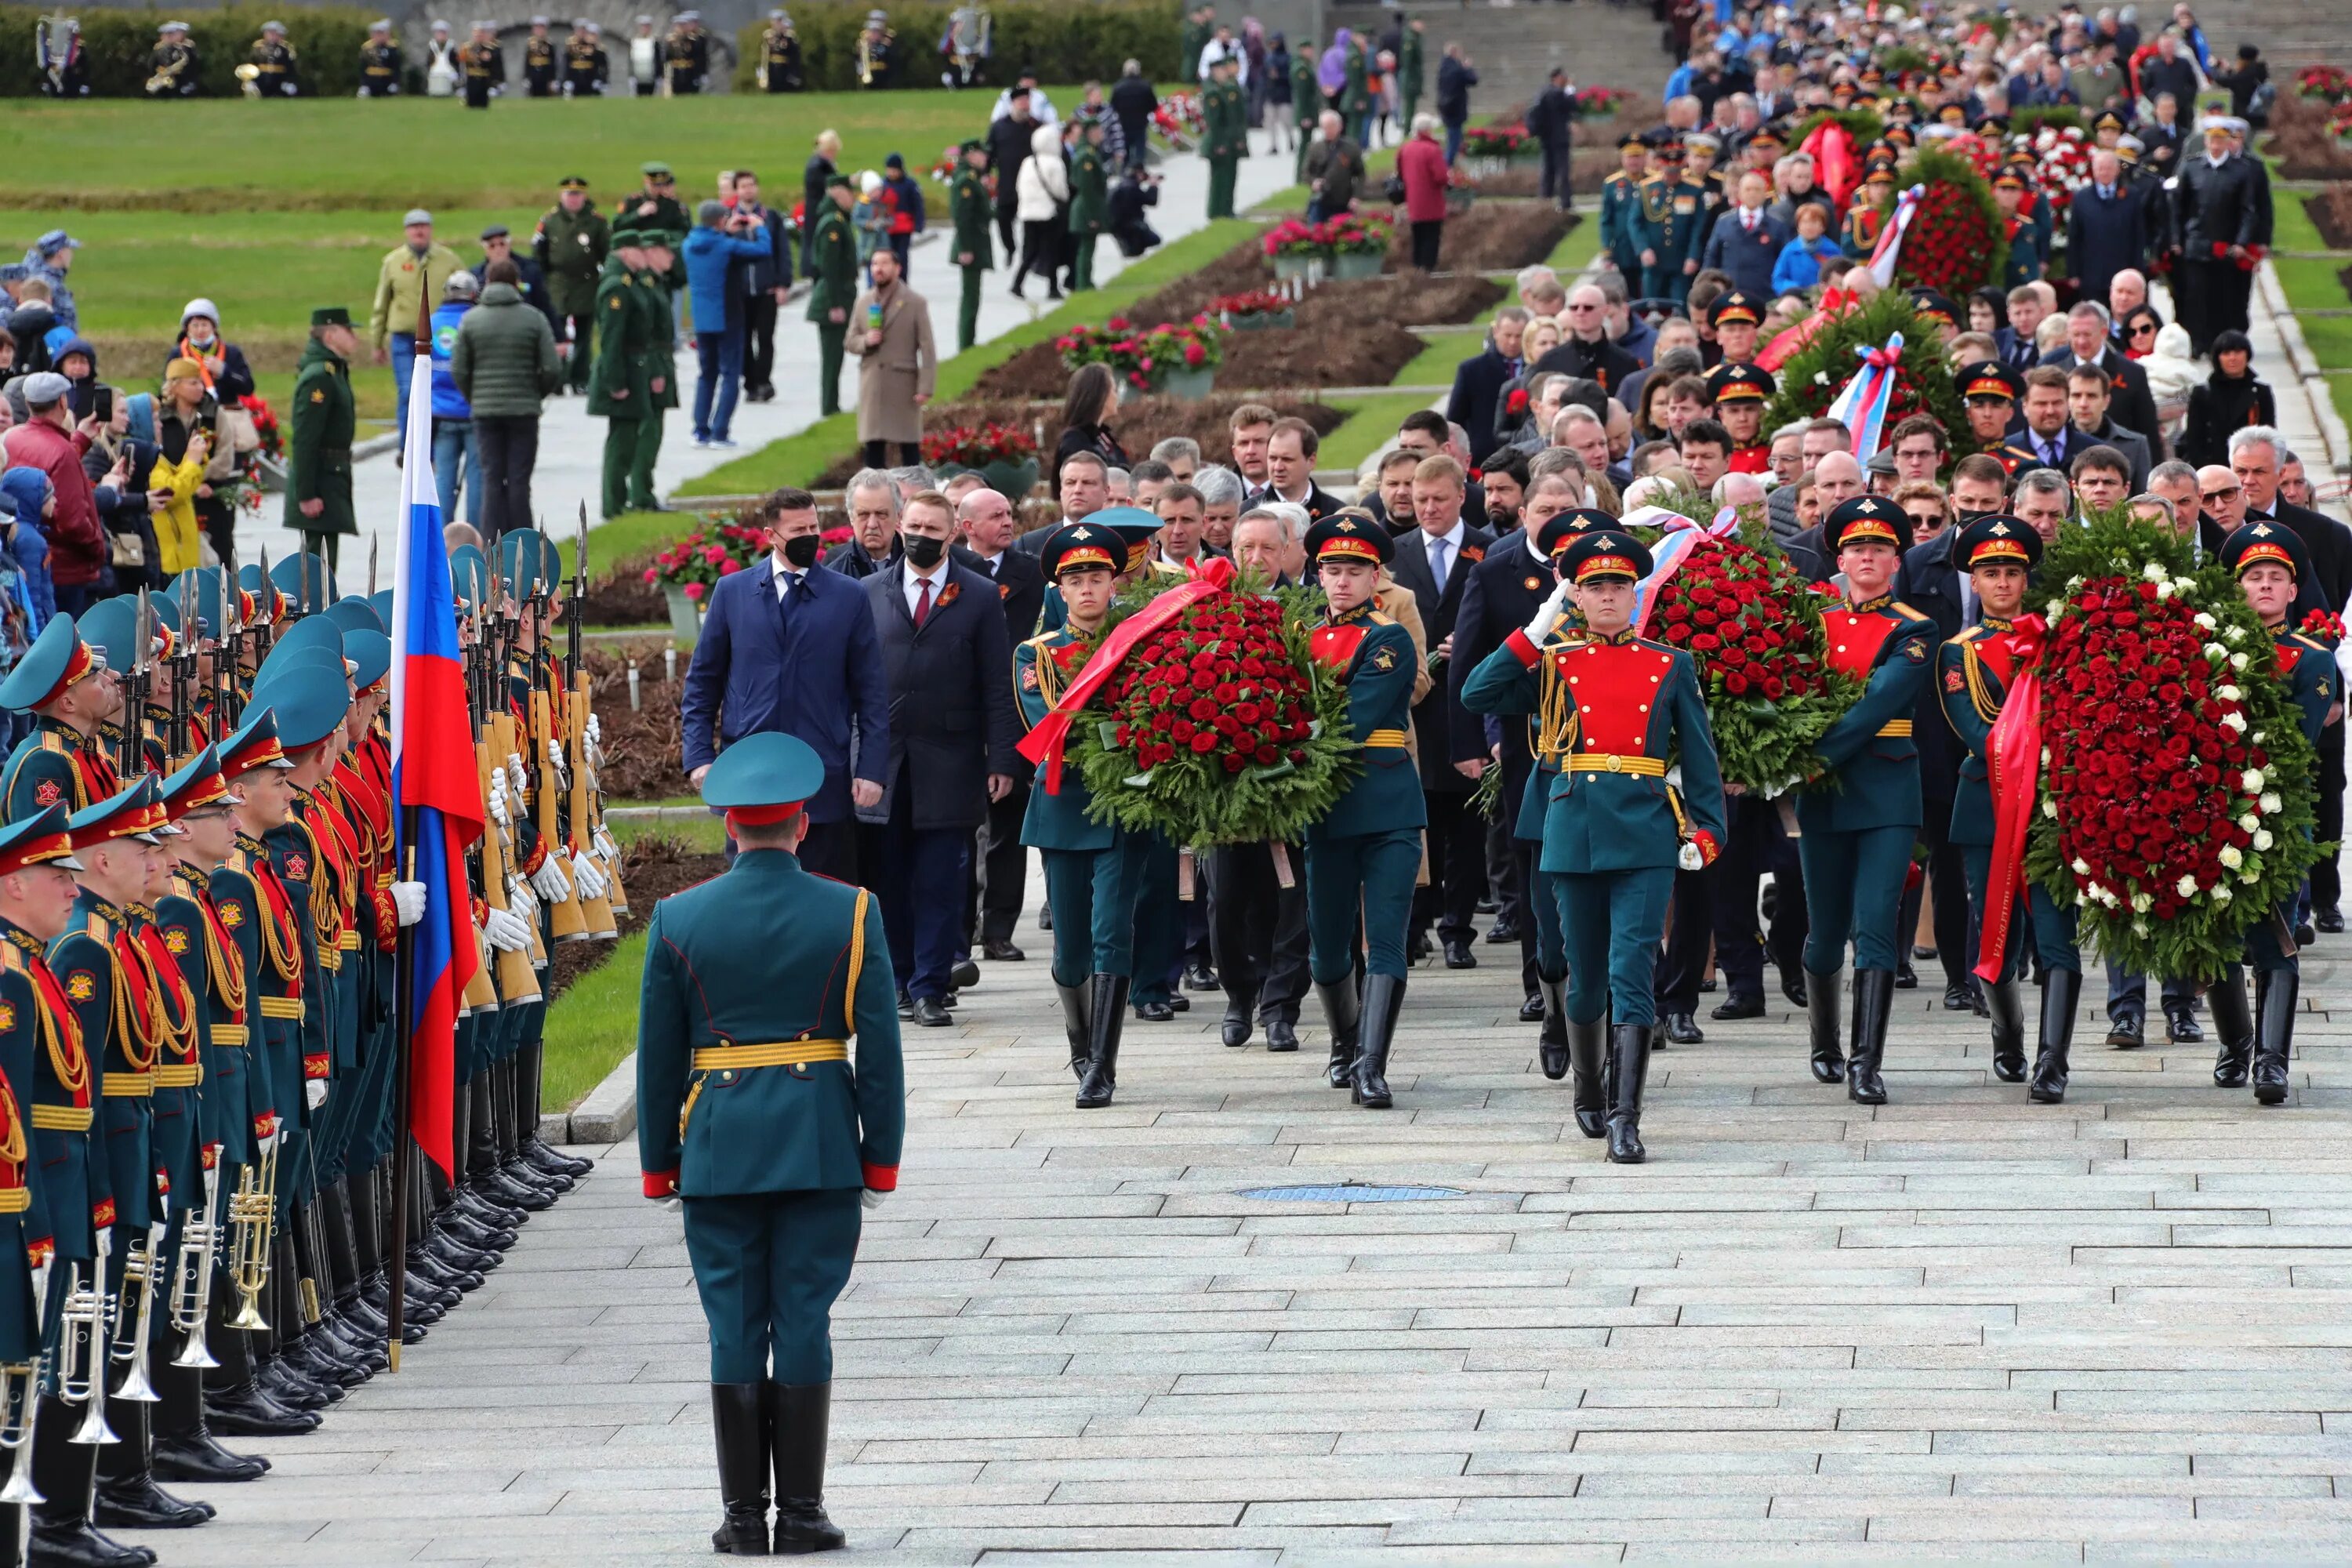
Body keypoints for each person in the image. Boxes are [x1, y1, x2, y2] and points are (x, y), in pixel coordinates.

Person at [636, 731, 902, 1558]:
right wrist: (880, 1154)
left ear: (729, 827)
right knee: (806, 1316)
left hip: (717, 1146)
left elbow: (659, 1055)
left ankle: (744, 1516)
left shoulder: (679, 917)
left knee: (732, 1322)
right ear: (802, 825)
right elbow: (881, 1049)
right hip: (819, 1140)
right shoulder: (852, 909)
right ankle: (806, 1512)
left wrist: (658, 1164)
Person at [1462, 528, 1726, 1163]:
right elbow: (1478, 692)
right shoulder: (1553, 662)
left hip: (1644, 827)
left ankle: (1626, 1116)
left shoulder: (1671, 663)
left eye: (1619, 586)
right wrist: (1535, 628)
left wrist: (1708, 827)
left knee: (1632, 968)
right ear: (1576, 595)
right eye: (1594, 586)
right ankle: (1588, 1083)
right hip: (1573, 826)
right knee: (1582, 980)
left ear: (1635, 596)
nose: (1608, 596)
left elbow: (1699, 753)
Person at [858, 492, 1018, 1027]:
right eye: (916, 525)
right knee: (889, 878)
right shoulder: (866, 593)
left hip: (951, 761)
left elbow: (998, 682)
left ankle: (930, 984)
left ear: (953, 534)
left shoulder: (976, 595)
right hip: (882, 763)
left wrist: (1001, 757)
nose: (923, 534)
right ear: (902, 528)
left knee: (940, 880)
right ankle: (900, 981)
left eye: (935, 527)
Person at [1795, 497, 1935, 1101]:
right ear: (1840, 559)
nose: (1867, 557)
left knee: (1876, 924)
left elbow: (1878, 702)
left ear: (1897, 559)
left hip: (1884, 789)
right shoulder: (1811, 619)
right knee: (1825, 931)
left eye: (1879, 548)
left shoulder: (1914, 627)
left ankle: (1864, 1061)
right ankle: (1825, 1041)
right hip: (1823, 797)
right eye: (1856, 548)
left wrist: (1811, 756)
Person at [1940, 514, 2082, 1101]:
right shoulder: (1960, 651)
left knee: (2057, 935)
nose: (2003, 582)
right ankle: (2010, 1035)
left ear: (2028, 578)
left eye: (2013, 572)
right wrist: (2029, 760)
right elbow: (1974, 729)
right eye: (1991, 572)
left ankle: (2054, 1060)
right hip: (1988, 804)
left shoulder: (2057, 640)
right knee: (1997, 927)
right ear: (1974, 583)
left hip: (2052, 808)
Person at [681, 489, 890, 885]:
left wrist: (872, 770)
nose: (810, 536)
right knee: (750, 897)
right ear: (770, 535)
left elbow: (872, 691)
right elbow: (702, 685)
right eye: (798, 530)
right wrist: (697, 757)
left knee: (827, 894)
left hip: (823, 776)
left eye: (814, 527)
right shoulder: (732, 593)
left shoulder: (848, 596)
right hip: (748, 773)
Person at [1297, 513, 1425, 1109]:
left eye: (1355, 571)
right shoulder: (1300, 635)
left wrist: (1286, 736)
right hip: (1326, 808)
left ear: (1377, 576)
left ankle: (1372, 1064)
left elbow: (1359, 718)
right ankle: (1345, 1042)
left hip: (1387, 801)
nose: (1342, 581)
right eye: (1333, 570)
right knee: (1326, 945)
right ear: (1318, 574)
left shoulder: (1387, 637)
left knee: (1387, 938)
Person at [2211, 520, 2327, 1100]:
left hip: (2275, 813)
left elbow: (2296, 739)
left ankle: (2272, 1060)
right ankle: (2236, 1044)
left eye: (2274, 577)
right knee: (2215, 937)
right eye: (2253, 576)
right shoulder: (2208, 651)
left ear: (2292, 590)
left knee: (2274, 934)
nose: (2263, 585)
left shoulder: (2310, 660)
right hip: (2208, 812)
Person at [1385, 455, 1490, 969]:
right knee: (1416, 823)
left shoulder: (1486, 550)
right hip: (1415, 714)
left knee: (1467, 831)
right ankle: (1415, 923)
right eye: (1420, 499)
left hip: (1466, 708)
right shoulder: (1396, 553)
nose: (1427, 508)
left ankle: (1458, 928)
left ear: (1461, 497)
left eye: (1438, 499)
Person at [451, 257, 558, 540]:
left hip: (485, 413)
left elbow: (459, 369)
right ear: (516, 283)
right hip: (524, 411)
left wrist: (476, 397)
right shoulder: (534, 318)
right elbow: (552, 367)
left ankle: (491, 542)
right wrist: (536, 393)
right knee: (519, 480)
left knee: (491, 479)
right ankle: (523, 540)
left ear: (486, 282)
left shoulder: (471, 320)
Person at [681, 201, 771, 454]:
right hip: (728, 316)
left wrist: (724, 232)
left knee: (706, 374)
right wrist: (759, 227)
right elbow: (762, 251)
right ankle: (720, 431)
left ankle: (700, 429)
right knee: (731, 374)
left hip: (702, 319)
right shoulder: (725, 246)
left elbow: (714, 250)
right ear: (721, 220)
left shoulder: (689, 244)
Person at [2171, 115, 2263, 355]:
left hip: (2226, 247)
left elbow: (2248, 211)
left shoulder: (2240, 172)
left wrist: (2242, 242)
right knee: (2196, 297)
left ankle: (2218, 343)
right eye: (2212, 139)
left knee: (2222, 298)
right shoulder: (2191, 167)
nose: (2216, 144)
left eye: (2221, 139)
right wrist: (2176, 240)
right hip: (2196, 244)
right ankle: (2197, 342)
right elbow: (2178, 207)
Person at [368, 210, 460, 438]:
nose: (419, 231)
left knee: (435, 389)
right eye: (414, 227)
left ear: (430, 229)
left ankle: (431, 443)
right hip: (403, 338)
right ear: (407, 232)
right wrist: (376, 342)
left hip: (438, 338)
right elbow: (382, 303)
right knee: (408, 391)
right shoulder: (392, 262)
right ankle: (406, 445)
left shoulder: (449, 260)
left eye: (424, 226)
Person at [848, 248, 935, 471]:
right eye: (875, 264)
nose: (879, 268)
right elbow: (850, 341)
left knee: (909, 449)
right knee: (874, 448)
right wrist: (866, 341)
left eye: (885, 263)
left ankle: (914, 497)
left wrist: (926, 386)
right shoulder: (864, 302)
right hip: (873, 384)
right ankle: (875, 497)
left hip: (902, 384)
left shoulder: (915, 302)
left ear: (897, 268)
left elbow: (927, 347)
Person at [286, 306, 357, 573]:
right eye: (348, 330)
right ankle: (316, 613)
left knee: (326, 560)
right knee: (318, 565)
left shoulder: (333, 371)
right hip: (321, 479)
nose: (354, 337)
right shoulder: (320, 377)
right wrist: (306, 493)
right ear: (330, 335)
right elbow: (305, 438)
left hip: (331, 476)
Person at [532, 177, 610, 399]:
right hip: (557, 285)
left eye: (577, 195)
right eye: (569, 195)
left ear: (584, 197)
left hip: (586, 284)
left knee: (584, 336)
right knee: (557, 335)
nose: (573, 199)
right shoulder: (550, 221)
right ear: (562, 196)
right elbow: (539, 253)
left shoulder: (596, 222)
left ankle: (581, 379)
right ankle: (557, 379)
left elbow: (607, 253)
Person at [727, 173, 793, 406]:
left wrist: (783, 283)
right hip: (740, 291)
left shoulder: (770, 217)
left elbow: (782, 251)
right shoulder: (729, 219)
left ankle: (764, 381)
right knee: (743, 339)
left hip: (766, 288)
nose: (748, 190)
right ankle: (751, 382)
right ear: (736, 190)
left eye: (751, 185)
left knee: (765, 338)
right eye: (743, 186)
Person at [427, 270, 484, 528]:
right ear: (474, 294)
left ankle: (442, 537)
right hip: (473, 412)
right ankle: (475, 539)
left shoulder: (432, 323)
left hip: (440, 414)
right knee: (477, 478)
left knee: (443, 481)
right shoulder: (476, 322)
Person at [806, 178, 858, 422]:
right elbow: (830, 267)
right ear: (838, 194)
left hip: (837, 297)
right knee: (831, 357)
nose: (853, 199)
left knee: (836, 356)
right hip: (831, 300)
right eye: (850, 193)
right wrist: (836, 303)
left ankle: (832, 404)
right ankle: (829, 407)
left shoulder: (837, 220)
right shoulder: (833, 224)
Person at [2183, 328, 2274, 466]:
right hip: (2211, 468)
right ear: (2218, 358)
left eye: (2238, 352)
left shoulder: (2261, 393)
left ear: (2247, 355)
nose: (2233, 358)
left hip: (2249, 466)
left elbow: (2269, 435)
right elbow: (2194, 439)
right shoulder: (2202, 393)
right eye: (2226, 353)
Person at [1011, 120, 1068, 302]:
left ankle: (1017, 283)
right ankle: (1052, 288)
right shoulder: (1055, 163)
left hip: (1028, 213)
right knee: (1051, 251)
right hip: (1048, 213)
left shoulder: (1028, 162)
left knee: (1030, 251)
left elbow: (1020, 186)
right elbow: (1060, 189)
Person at [947, 140, 993, 351]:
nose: (985, 158)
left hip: (975, 243)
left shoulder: (972, 178)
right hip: (971, 245)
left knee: (973, 297)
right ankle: (966, 343)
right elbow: (963, 217)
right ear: (971, 155)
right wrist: (965, 248)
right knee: (970, 297)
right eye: (981, 154)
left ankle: (969, 340)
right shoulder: (966, 181)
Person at [1398, 113, 1450, 271]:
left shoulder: (1405, 149)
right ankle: (1427, 267)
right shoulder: (1433, 150)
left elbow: (1400, 173)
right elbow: (1441, 177)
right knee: (1431, 235)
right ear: (1427, 130)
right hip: (1431, 200)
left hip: (1413, 200)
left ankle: (1417, 265)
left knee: (1417, 235)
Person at [1067, 118, 1110, 293]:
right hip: (1085, 210)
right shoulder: (1086, 156)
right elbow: (1087, 188)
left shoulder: (1090, 152)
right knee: (1086, 249)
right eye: (1098, 131)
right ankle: (1083, 282)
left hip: (1088, 208)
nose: (1101, 134)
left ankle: (1086, 280)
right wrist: (1092, 216)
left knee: (1089, 247)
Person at [1202, 55, 1247, 220]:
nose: (1224, 73)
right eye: (1221, 70)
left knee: (1229, 178)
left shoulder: (1223, 89)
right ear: (1214, 72)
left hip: (1228, 141)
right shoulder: (1213, 93)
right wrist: (1219, 143)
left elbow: (1236, 118)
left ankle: (1226, 209)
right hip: (1218, 142)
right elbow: (1214, 123)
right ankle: (1216, 211)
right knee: (1219, 179)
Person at [1303, 111, 1363, 223]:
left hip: (1343, 200)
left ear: (1340, 126)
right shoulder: (1315, 148)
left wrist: (1356, 197)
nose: (1328, 130)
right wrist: (1313, 182)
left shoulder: (1351, 148)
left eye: (1331, 126)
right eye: (1325, 127)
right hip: (1321, 200)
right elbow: (1306, 173)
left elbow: (1360, 173)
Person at [1436, 42, 1476, 164]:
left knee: (1452, 138)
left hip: (1446, 106)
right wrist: (1468, 68)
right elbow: (1473, 80)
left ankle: (1450, 164)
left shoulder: (1443, 67)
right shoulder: (1456, 69)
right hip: (1455, 108)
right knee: (1454, 141)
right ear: (1455, 53)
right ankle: (1447, 167)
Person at [564, 18, 607, 94]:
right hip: (575, 79)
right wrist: (567, 79)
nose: (581, 33)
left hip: (590, 78)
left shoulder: (594, 46)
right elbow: (567, 64)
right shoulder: (571, 46)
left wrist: (601, 79)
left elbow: (600, 64)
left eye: (583, 31)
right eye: (579, 30)